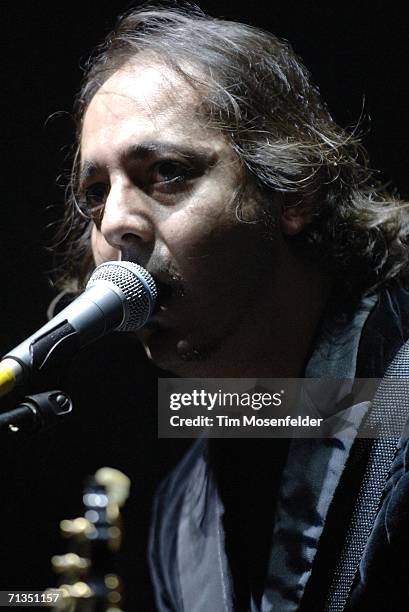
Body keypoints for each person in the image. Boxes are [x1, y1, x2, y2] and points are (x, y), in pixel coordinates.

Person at [56, 5, 409, 611]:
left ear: (296, 189)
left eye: (166, 172)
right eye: (95, 192)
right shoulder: (178, 512)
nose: (114, 222)